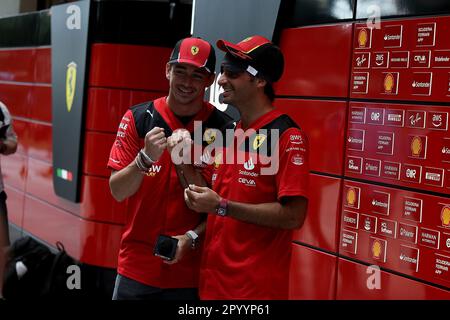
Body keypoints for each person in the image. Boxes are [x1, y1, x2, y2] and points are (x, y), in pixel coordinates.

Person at [183, 35, 309, 299]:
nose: (221, 80)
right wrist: (181, 158)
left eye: (233, 73)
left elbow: (293, 216)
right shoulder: (228, 133)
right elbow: (204, 195)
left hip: (253, 292)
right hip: (211, 286)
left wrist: (222, 206)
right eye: (222, 71)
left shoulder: (287, 135)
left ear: (260, 80)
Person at [107, 37, 233, 300]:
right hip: (136, 268)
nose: (187, 83)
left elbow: (220, 207)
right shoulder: (139, 118)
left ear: (209, 80)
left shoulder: (223, 129)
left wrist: (183, 159)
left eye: (197, 75)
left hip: (192, 273)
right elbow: (117, 191)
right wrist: (145, 158)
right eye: (180, 72)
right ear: (167, 71)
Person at [0, 101, 18, 298]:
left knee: (3, 249)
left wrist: (2, 144)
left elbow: (13, 143)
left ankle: (5, 292)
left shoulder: (1, 109)